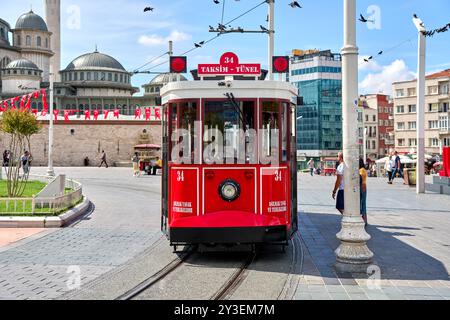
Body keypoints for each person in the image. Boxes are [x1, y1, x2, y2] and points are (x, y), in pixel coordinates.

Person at [359, 158, 368, 227]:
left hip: (362, 187)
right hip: (363, 187)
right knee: (363, 203)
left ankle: (364, 220)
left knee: (362, 203)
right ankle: (364, 220)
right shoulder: (362, 169)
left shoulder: (361, 170)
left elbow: (361, 180)